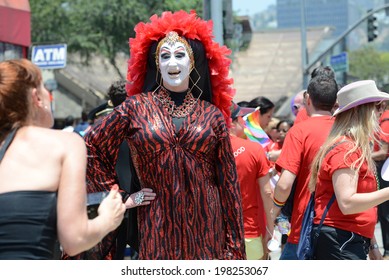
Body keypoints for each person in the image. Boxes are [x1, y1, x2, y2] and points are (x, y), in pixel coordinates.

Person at [82, 10, 246, 260]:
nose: (172, 63)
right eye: (165, 56)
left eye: (180, 55)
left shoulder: (211, 115)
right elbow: (90, 147)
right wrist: (122, 197)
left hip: (208, 236)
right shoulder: (135, 108)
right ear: (155, 64)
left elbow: (229, 185)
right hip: (156, 231)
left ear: (192, 63)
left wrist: (234, 247)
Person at [0, 58, 126, 260]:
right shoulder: (65, 144)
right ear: (37, 98)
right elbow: (75, 239)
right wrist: (109, 217)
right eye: (45, 90)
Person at [308, 80, 389, 260]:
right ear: (361, 111)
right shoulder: (346, 149)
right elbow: (348, 203)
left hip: (348, 238)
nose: (381, 111)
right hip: (340, 238)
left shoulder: (352, 146)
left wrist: (373, 244)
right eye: (377, 106)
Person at [272, 74, 338, 260]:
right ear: (334, 102)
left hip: (304, 225)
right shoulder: (345, 129)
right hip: (339, 225)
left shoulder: (299, 131)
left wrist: (274, 210)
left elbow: (285, 184)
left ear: (308, 99)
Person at [229, 103, 274, 260]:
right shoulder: (254, 149)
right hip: (248, 231)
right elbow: (267, 192)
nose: (244, 122)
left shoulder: (207, 150)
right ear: (233, 121)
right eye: (242, 118)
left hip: (215, 235)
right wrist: (270, 229)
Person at [372, 105, 389, 260]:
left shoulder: (386, 120)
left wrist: (362, 154)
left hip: (385, 170)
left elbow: (383, 153)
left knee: (386, 213)